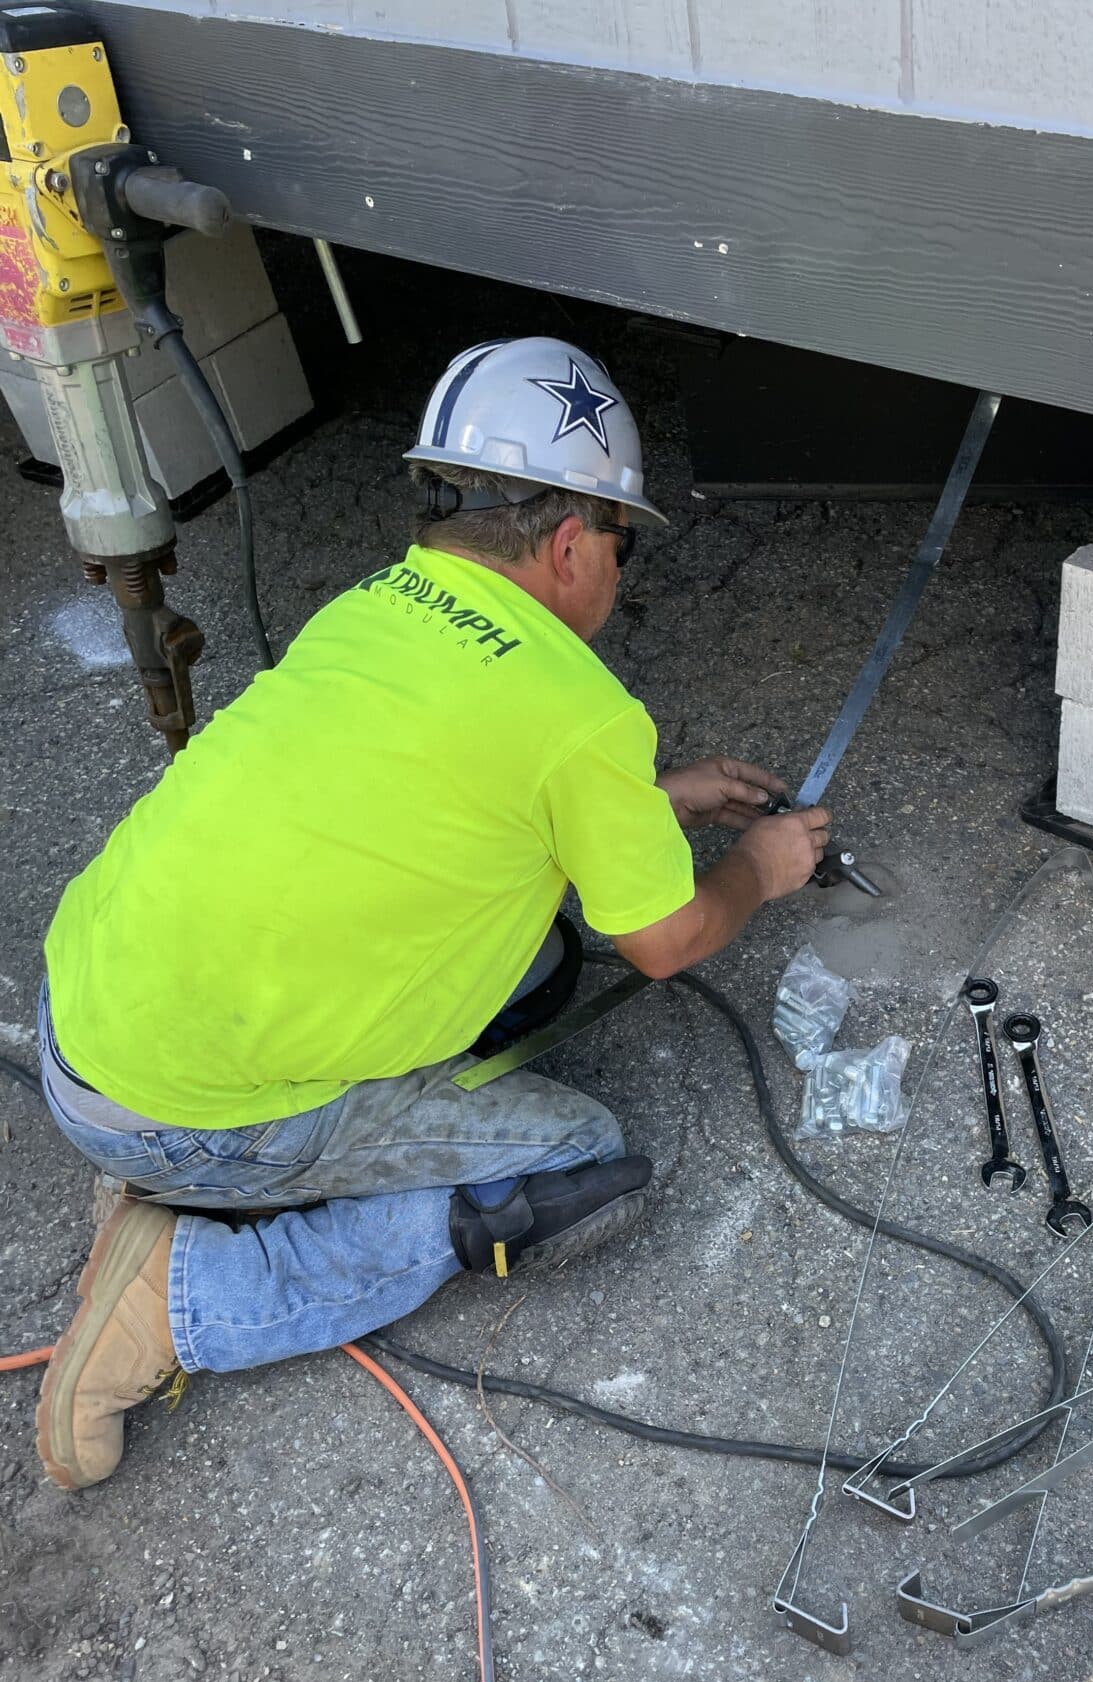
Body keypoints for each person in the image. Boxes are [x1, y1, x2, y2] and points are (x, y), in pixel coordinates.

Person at [34, 336, 829, 1491]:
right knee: (574, 1170)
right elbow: (667, 943)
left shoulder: (374, 608)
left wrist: (649, 803)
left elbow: (443, 797)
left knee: (540, 956)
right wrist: (758, 865)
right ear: (569, 543)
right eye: (620, 547)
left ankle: (199, 1171)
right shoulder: (577, 710)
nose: (618, 574)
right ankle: (179, 1294)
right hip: (170, 1110)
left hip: (94, 1010)